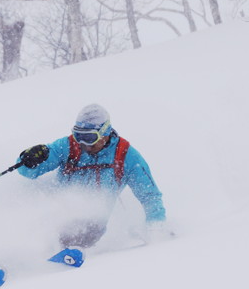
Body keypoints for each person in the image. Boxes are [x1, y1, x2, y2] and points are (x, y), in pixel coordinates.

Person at [17, 103, 166, 250]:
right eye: (78, 135)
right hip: (56, 213)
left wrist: (156, 231)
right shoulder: (68, 146)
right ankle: (20, 256)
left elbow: (150, 196)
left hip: (92, 226)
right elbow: (28, 172)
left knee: (85, 229)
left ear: (105, 133)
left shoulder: (126, 156)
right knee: (34, 223)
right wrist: (28, 160)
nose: (83, 143)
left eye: (89, 137)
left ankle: (57, 253)